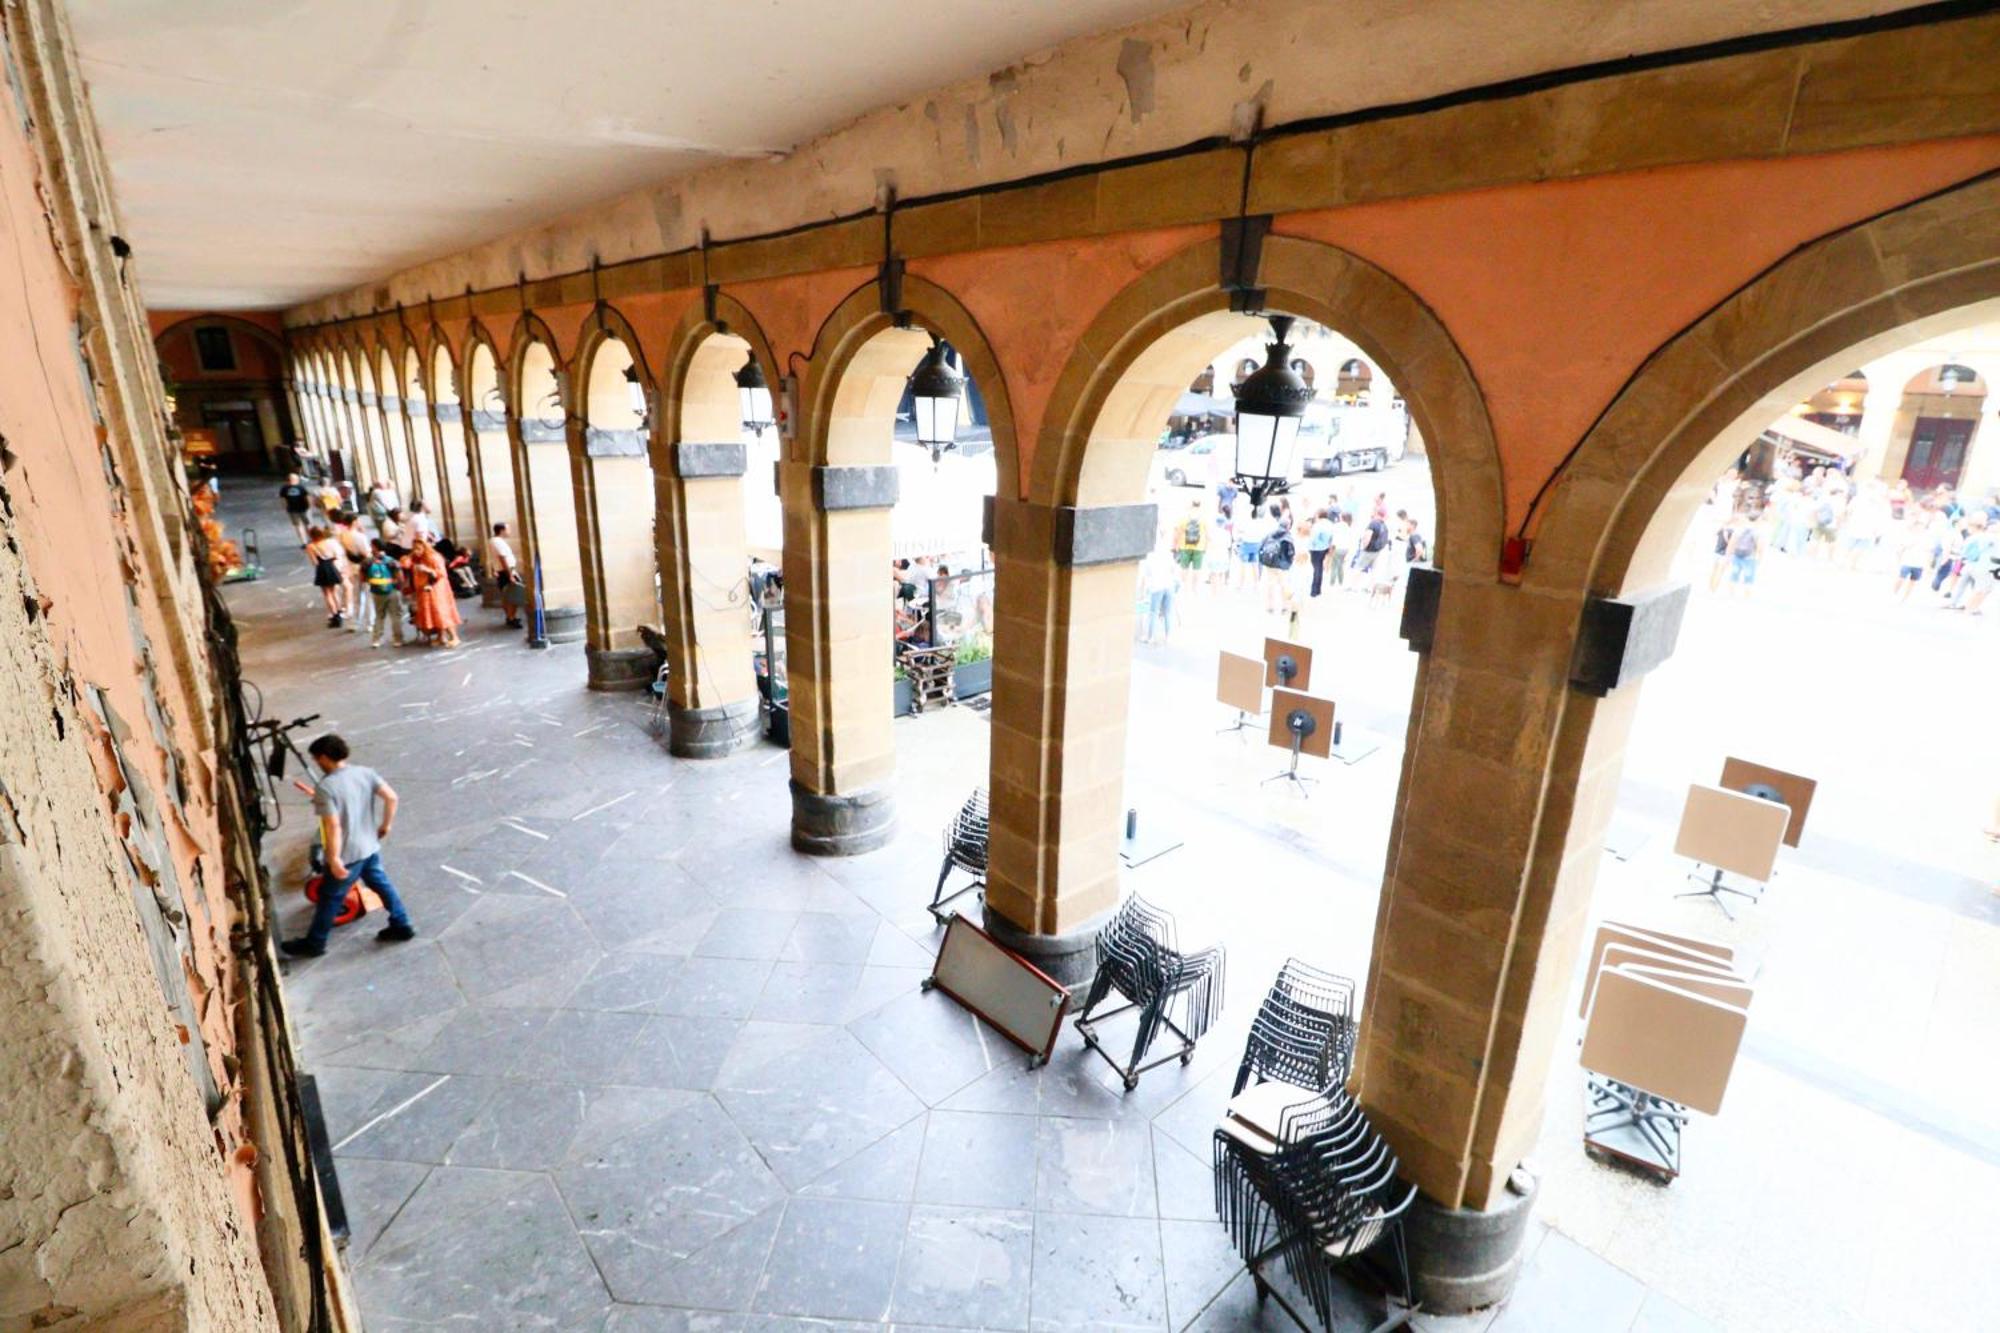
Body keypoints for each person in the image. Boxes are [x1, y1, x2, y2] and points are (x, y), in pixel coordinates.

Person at [280, 734, 416, 957]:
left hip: (348, 854)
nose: (317, 764)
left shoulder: (327, 787)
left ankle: (315, 943)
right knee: (382, 885)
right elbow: (392, 798)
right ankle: (401, 923)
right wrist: (385, 826)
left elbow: (333, 826)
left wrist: (333, 859)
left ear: (324, 757)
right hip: (369, 846)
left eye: (317, 760)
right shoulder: (365, 773)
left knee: (330, 898)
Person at [404, 537, 462, 648]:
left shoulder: (434, 557)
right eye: (414, 548)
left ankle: (454, 637)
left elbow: (441, 573)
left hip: (437, 589)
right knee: (433, 613)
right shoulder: (417, 558)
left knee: (441, 611)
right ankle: (441, 637)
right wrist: (411, 555)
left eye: (418, 548)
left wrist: (427, 570)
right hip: (425, 589)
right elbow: (405, 564)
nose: (416, 551)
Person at [362, 540, 409, 647]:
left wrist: (374, 582)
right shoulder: (391, 561)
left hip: (377, 592)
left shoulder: (367, 562)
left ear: (374, 547)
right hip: (392, 590)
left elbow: (362, 578)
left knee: (379, 615)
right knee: (396, 616)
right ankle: (398, 639)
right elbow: (400, 577)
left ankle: (376, 640)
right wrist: (399, 587)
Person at [334, 513, 373, 634]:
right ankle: (370, 623)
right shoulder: (360, 536)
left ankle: (354, 622)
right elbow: (366, 553)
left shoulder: (342, 535)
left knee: (357, 595)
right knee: (368, 596)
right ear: (355, 521)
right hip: (364, 567)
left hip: (350, 567)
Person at [305, 525, 346, 627]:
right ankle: (340, 610)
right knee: (334, 590)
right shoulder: (329, 542)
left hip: (322, 569)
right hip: (332, 566)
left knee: (327, 593)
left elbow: (314, 562)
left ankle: (334, 615)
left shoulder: (311, 546)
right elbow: (336, 555)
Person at [488, 522, 525, 629]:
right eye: (508, 529)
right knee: (513, 596)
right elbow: (502, 558)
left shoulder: (494, 541)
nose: (509, 531)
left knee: (509, 595)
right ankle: (511, 617)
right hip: (506, 572)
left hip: (504, 571)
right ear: (502, 530)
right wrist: (510, 575)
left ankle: (511, 616)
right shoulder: (498, 542)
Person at [1141, 543, 1178, 645]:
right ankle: (1168, 636)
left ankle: (1150, 637)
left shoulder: (1150, 557)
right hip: (1169, 585)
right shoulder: (1168, 556)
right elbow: (1174, 571)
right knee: (1167, 613)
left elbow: (1146, 575)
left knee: (1153, 612)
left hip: (1156, 586)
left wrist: (1142, 591)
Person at [1725, 510, 1762, 594]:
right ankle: (1745, 598)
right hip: (1750, 557)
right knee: (1748, 579)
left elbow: (1731, 543)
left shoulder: (1739, 529)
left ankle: (1731, 595)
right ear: (1758, 520)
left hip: (1737, 555)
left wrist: (1728, 556)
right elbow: (1760, 547)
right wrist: (1759, 558)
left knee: (1734, 576)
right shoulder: (1758, 532)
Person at [1174, 500, 1207, 593]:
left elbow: (1178, 532)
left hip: (1185, 546)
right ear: (1200, 506)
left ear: (1191, 505)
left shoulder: (1184, 517)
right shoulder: (1203, 518)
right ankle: (1194, 589)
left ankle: (1184, 588)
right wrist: (1205, 547)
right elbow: (1207, 534)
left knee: (1184, 568)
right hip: (1199, 547)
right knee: (1197, 569)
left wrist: (1176, 545)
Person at [1307, 508, 1337, 597]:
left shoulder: (1318, 525)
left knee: (1316, 569)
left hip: (1316, 549)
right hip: (1325, 548)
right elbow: (1332, 537)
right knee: (1319, 568)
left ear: (1319, 515)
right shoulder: (1330, 524)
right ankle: (1318, 589)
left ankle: (1314, 590)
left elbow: (1313, 538)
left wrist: (1309, 546)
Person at [278, 473, 313, 546]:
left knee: (298, 526)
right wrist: (310, 506)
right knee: (307, 524)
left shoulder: (284, 488)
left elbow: (283, 499)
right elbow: (307, 497)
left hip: (292, 509)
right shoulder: (302, 487)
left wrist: (285, 507)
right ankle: (311, 539)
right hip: (304, 508)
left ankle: (304, 542)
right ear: (296, 479)